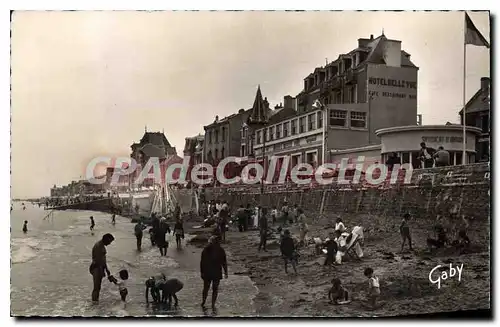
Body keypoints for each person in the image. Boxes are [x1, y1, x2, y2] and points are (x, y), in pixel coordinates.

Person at [200, 235, 228, 309]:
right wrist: (226, 272)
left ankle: (204, 302)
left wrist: (202, 272)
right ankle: (212, 304)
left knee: (206, 288)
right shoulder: (221, 250)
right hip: (216, 272)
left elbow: (202, 262)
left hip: (208, 272)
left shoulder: (206, 249)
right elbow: (224, 262)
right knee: (214, 289)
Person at [89, 233, 115, 302]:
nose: (109, 244)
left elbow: (103, 259)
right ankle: (94, 303)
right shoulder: (98, 246)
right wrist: (102, 270)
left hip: (99, 267)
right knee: (96, 287)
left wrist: (106, 270)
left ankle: (95, 301)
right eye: (109, 242)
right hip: (96, 268)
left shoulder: (101, 245)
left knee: (98, 287)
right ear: (106, 239)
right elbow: (98, 261)